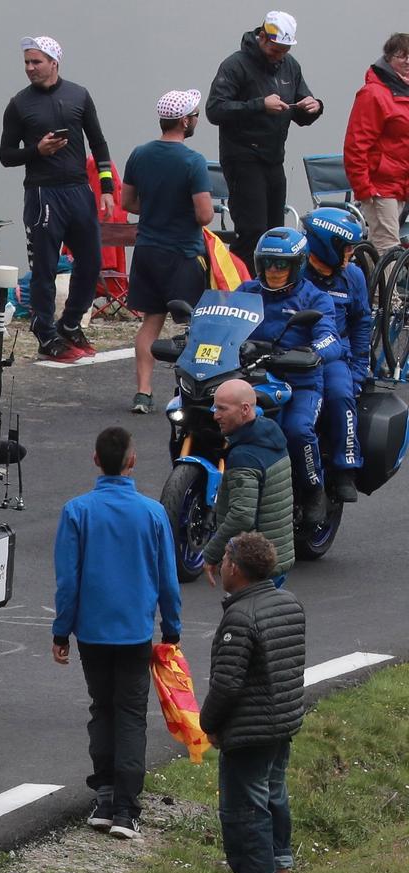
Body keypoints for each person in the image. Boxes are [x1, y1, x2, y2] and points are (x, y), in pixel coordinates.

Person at [51, 427, 184, 839]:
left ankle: (104, 794)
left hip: (92, 632)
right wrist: (172, 627)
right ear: (133, 460)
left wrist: (62, 631)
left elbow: (67, 581)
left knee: (101, 708)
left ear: (95, 460)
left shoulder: (77, 511)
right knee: (130, 714)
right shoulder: (152, 513)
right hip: (135, 633)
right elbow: (168, 579)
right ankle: (126, 809)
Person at [201, 531, 306, 873]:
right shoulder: (289, 604)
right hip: (281, 729)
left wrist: (207, 723)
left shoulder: (240, 619)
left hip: (247, 736)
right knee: (276, 810)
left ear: (235, 569)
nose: (222, 565)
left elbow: (226, 685)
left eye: (225, 559)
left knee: (248, 823)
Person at [0, 37, 116, 362]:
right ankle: (44, 332)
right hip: (42, 192)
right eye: (26, 62)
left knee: (92, 262)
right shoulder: (19, 104)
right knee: (45, 269)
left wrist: (106, 189)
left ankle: (69, 323)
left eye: (36, 62)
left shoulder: (79, 95)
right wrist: (36, 151)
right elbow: (6, 156)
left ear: (54, 62)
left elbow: (99, 143)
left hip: (79, 189)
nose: (30, 68)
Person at [122, 90, 217, 413]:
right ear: (184, 120)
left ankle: (143, 392)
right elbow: (204, 216)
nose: (196, 120)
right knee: (194, 326)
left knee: (151, 322)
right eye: (195, 115)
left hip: (147, 250)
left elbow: (128, 202)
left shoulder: (140, 154)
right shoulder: (193, 161)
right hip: (183, 254)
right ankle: (192, 390)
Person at [238, 227, 343, 513]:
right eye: (267, 263)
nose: (273, 270)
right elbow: (218, 320)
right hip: (250, 379)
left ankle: (313, 490)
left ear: (298, 265)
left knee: (296, 430)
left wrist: (311, 352)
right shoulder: (246, 291)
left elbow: (331, 339)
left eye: (281, 264)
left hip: (300, 384)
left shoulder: (316, 298)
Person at [207, 11, 323, 258]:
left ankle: (274, 289)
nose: (279, 55)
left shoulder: (290, 66)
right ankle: (244, 290)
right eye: (276, 49)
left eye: (285, 50)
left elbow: (301, 112)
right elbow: (215, 110)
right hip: (242, 158)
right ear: (262, 37)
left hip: (274, 159)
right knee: (252, 231)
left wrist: (314, 107)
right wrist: (259, 104)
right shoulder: (235, 65)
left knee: (275, 231)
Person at [300, 207, 373, 505]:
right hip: (288, 352)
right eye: (347, 247)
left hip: (332, 356)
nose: (352, 254)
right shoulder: (292, 268)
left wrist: (359, 369)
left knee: (342, 395)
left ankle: (345, 468)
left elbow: (362, 322)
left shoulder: (353, 276)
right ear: (326, 245)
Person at [204, 377, 296, 582]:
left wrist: (212, 553)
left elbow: (241, 516)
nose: (216, 416)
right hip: (274, 557)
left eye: (222, 409)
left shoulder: (244, 456)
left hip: (255, 568)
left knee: (246, 614)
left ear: (245, 409)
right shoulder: (269, 432)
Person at [345, 33, 409, 250]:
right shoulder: (373, 94)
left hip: (401, 186)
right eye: (402, 56)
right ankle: (387, 286)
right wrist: (365, 189)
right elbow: (356, 146)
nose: (408, 61)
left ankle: (371, 285)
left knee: (377, 246)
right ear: (389, 58)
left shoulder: (404, 93)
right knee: (388, 247)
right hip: (380, 188)